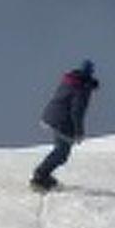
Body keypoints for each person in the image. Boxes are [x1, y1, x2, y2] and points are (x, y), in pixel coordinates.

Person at [32, 59, 99, 191]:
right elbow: (77, 112)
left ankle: (43, 174)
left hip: (52, 116)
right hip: (61, 120)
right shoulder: (81, 89)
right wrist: (79, 132)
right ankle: (40, 176)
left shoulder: (70, 81)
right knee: (62, 152)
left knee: (61, 151)